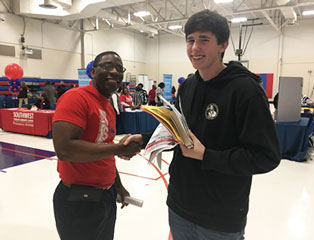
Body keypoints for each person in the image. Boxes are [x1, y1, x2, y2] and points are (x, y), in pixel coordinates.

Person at [123, 10, 280, 240]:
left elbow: (266, 156)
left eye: (204, 40)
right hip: (180, 206)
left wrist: (207, 156)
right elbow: (180, 131)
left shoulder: (246, 91)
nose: (195, 47)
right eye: (190, 40)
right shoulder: (188, 87)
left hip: (220, 217)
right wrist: (144, 139)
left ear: (222, 44)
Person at [52, 51, 141, 240]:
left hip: (105, 197)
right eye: (108, 66)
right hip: (78, 200)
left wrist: (118, 186)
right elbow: (65, 149)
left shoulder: (107, 105)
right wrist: (119, 149)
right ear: (93, 71)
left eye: (119, 68)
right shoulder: (76, 98)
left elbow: (104, 148)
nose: (115, 72)